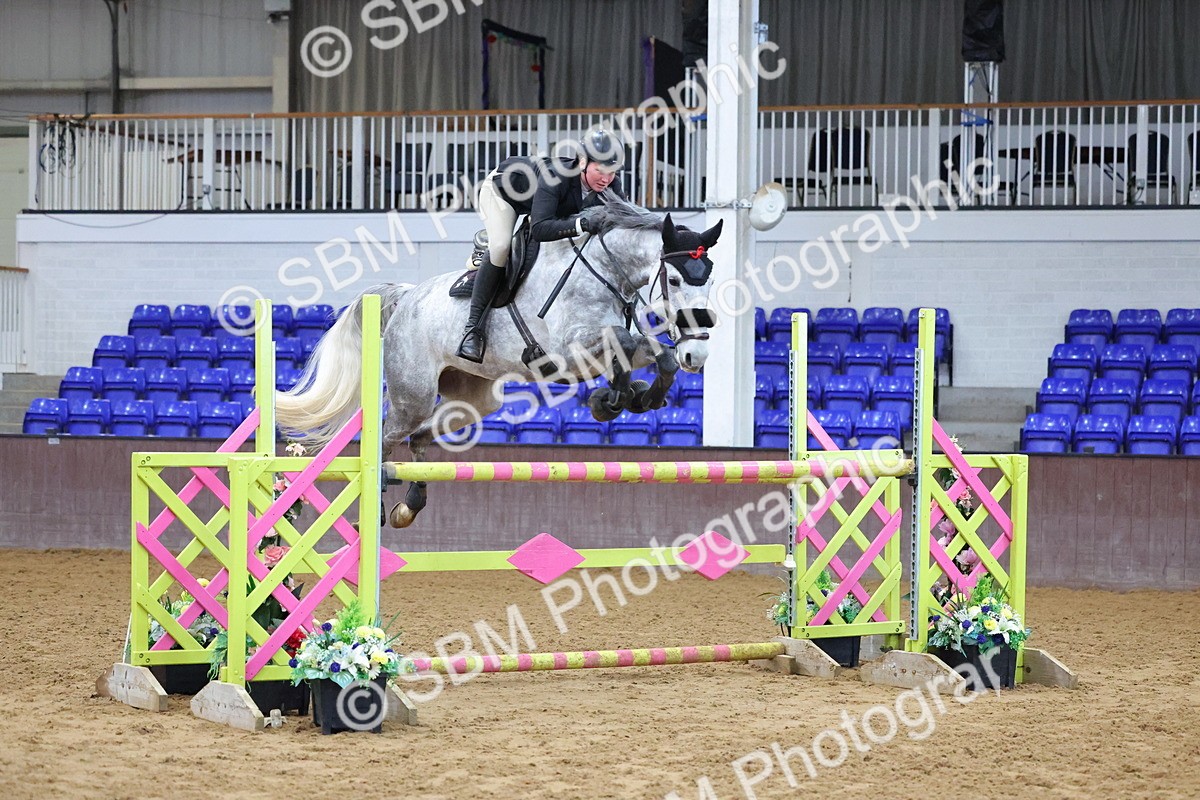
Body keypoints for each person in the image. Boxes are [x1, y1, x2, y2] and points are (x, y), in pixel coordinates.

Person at [456, 128, 626, 363]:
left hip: (543, 204)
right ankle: (472, 330)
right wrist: (583, 222)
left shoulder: (611, 186)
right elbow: (539, 229)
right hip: (503, 192)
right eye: (600, 170)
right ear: (583, 162)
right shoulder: (555, 176)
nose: (606, 179)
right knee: (501, 247)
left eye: (612, 172)